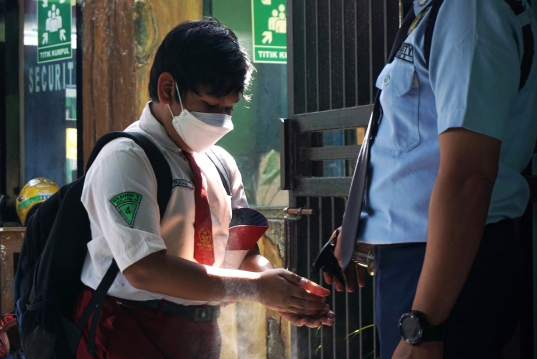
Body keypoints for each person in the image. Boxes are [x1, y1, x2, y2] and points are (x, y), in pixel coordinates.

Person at [75, 19, 334, 359]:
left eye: (228, 109)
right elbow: (144, 268)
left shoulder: (221, 164)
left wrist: (279, 288)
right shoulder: (125, 158)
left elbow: (241, 254)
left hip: (202, 332)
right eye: (212, 106)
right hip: (128, 328)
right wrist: (257, 290)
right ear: (169, 90)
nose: (222, 119)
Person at [325, 0, 537, 358]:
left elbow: (469, 175)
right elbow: (416, 151)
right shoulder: (431, 11)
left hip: (446, 273)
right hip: (424, 265)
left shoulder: (470, 10)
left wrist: (423, 328)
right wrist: (365, 226)